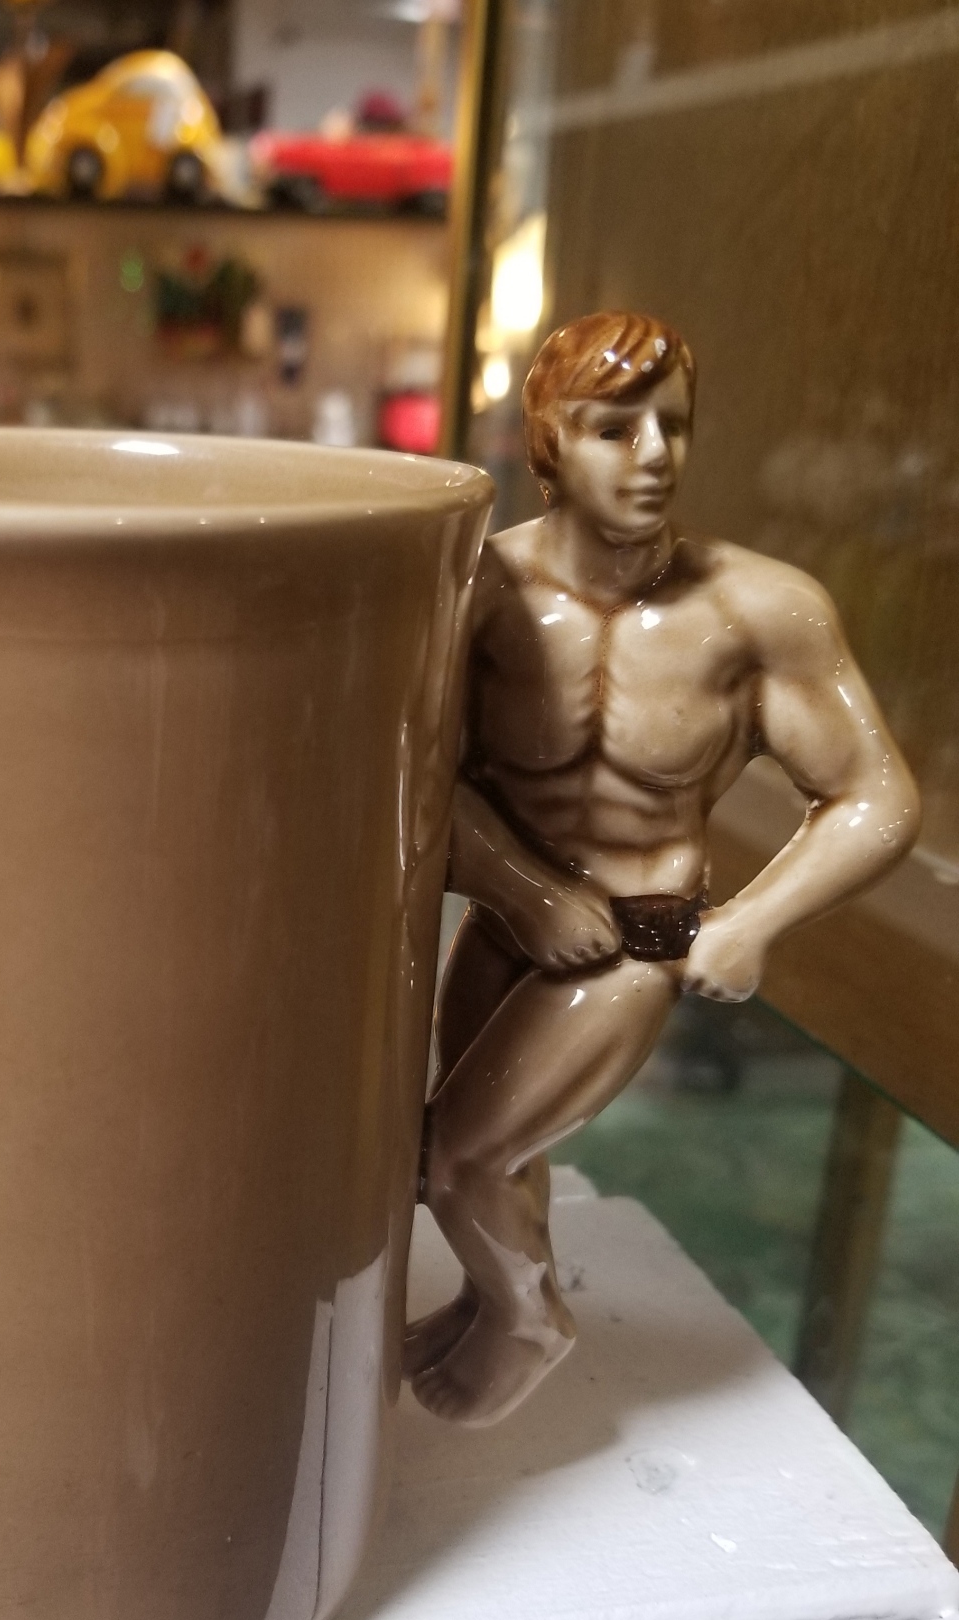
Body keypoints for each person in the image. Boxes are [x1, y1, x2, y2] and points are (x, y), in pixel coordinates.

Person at [411, 311, 920, 1427]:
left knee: (457, 1159)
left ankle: (528, 1323)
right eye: (614, 429)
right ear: (549, 440)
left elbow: (876, 798)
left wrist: (750, 921)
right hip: (505, 923)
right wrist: (524, 892)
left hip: (639, 940)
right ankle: (489, 1299)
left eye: (672, 426)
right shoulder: (480, 594)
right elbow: (416, 776)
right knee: (494, 1151)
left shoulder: (755, 610)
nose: (652, 455)